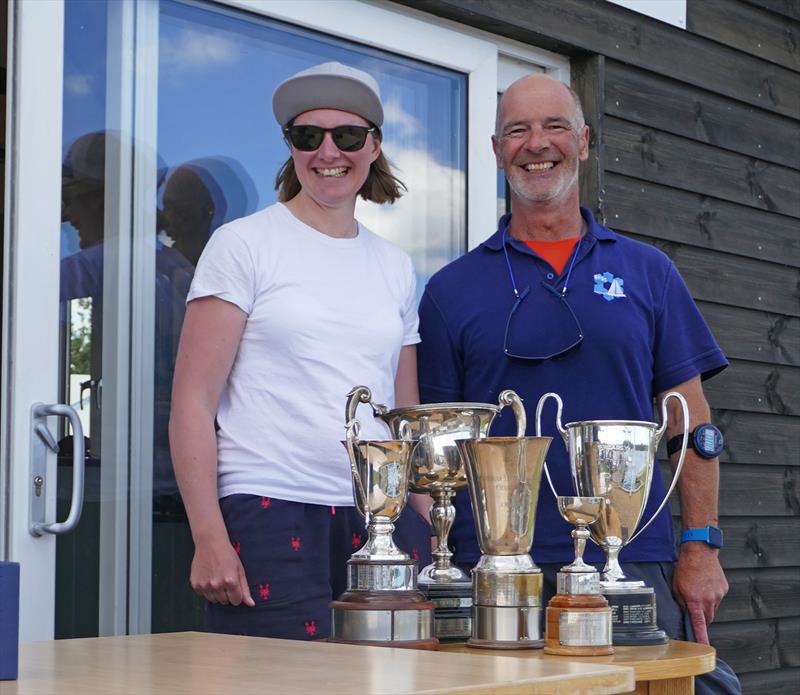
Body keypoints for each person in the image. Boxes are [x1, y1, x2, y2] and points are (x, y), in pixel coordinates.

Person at [417, 73, 740, 693]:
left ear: (585, 141)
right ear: (495, 149)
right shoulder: (449, 291)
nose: (536, 144)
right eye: (517, 129)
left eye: (554, 126)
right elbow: (437, 453)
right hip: (494, 574)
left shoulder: (649, 272)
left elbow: (693, 424)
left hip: (633, 562)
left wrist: (701, 547)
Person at [169, 61, 432, 640]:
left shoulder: (396, 266)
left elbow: (401, 409)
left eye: (348, 135)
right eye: (308, 136)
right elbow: (193, 401)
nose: (328, 151)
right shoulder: (243, 245)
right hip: (268, 511)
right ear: (290, 147)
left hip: (381, 520)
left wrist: (424, 522)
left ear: (374, 145)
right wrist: (209, 537)